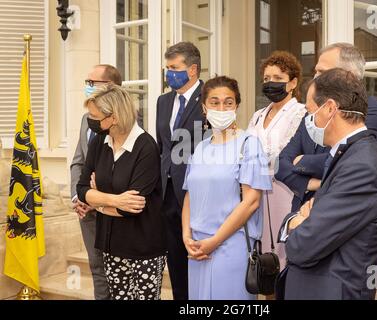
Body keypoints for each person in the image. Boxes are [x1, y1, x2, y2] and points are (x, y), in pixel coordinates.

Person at [278, 68, 377, 300]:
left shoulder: (362, 166)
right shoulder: (350, 155)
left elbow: (303, 246)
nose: (308, 121)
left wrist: (294, 222)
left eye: (310, 112)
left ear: (331, 108)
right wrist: (302, 219)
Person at [182, 76, 272, 300]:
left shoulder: (250, 145)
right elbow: (189, 196)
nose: (221, 108)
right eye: (214, 102)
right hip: (197, 249)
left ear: (237, 106)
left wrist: (214, 242)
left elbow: (251, 202)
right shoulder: (200, 148)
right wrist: (186, 236)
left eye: (228, 102)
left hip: (231, 247)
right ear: (204, 107)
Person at [276, 43, 377, 212]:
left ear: (348, 75)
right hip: (300, 212)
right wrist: (313, 184)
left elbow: (350, 160)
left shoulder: (372, 110)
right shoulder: (313, 111)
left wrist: (301, 161)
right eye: (315, 71)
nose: (315, 77)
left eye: (322, 72)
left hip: (339, 213)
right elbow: (281, 164)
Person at [77, 85, 166, 300]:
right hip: (110, 244)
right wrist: (114, 200)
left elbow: (131, 209)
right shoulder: (99, 140)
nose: (91, 120)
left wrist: (96, 200)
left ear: (114, 117)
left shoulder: (146, 146)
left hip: (144, 247)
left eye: (94, 116)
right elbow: (81, 189)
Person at [156, 42, 206, 300]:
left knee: (200, 260)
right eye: (167, 68)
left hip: (198, 195)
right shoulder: (163, 101)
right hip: (167, 196)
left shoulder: (211, 98)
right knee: (175, 263)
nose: (169, 73)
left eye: (174, 68)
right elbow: (162, 147)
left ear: (193, 70)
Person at [248, 51, 306, 270]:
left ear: (292, 83)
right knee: (263, 255)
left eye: (277, 79)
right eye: (266, 79)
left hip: (285, 189)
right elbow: (247, 149)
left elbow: (288, 154)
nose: (270, 83)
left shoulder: (300, 113)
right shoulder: (258, 115)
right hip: (256, 190)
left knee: (284, 250)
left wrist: (260, 157)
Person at [70, 64, 123, 300]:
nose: (87, 86)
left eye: (93, 82)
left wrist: (96, 198)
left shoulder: (126, 122)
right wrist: (78, 196)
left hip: (114, 210)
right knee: (97, 268)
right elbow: (77, 162)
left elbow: (122, 168)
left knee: (118, 270)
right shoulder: (85, 119)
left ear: (110, 87)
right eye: (87, 81)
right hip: (86, 210)